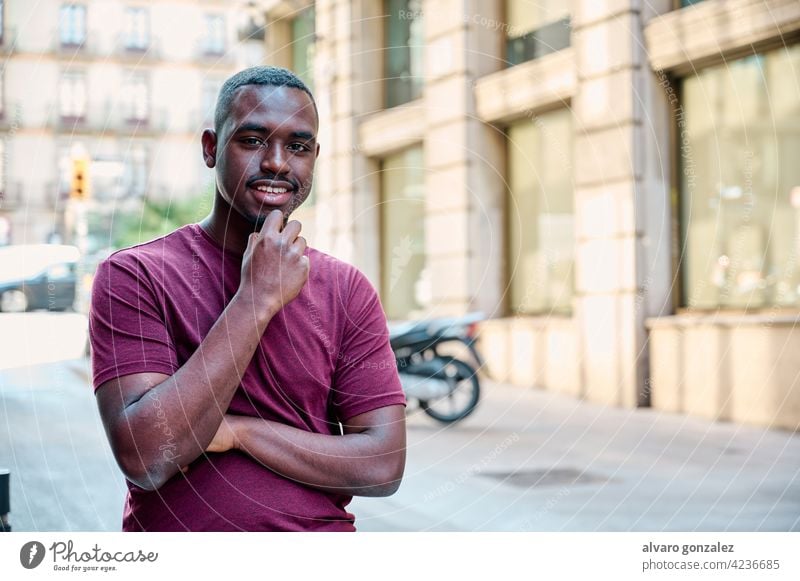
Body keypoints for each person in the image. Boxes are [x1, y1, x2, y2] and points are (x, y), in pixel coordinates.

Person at [89, 66, 407, 531]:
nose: (278, 162)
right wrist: (256, 300)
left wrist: (239, 432)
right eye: (253, 140)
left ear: (314, 157)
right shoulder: (135, 275)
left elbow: (382, 464)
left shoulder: (346, 288)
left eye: (297, 147)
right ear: (211, 147)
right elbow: (146, 455)